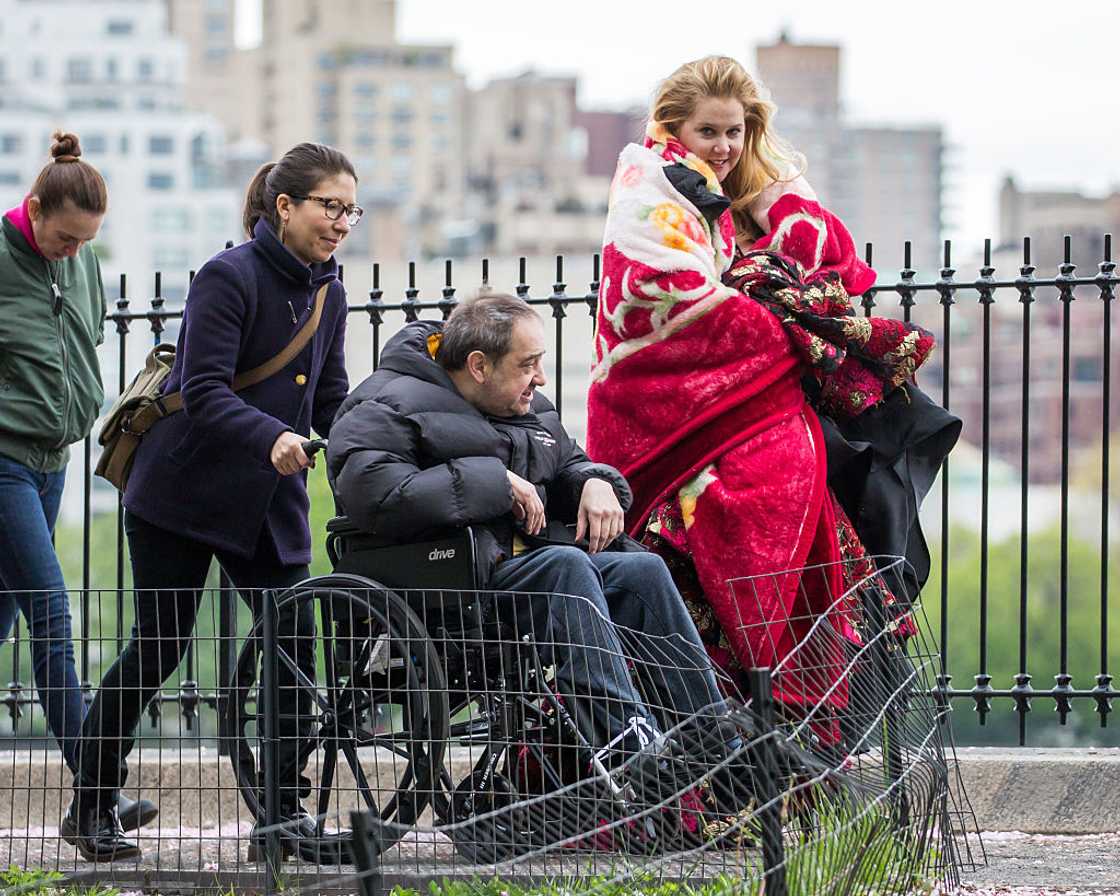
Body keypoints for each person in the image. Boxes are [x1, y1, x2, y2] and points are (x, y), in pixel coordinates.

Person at [586, 56, 957, 743]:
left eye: (736, 131)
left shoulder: (737, 193)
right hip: (682, 445)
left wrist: (774, 191)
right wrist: (779, 325)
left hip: (768, 441)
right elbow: (664, 302)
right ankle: (699, 765)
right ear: (673, 129)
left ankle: (771, 761)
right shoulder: (651, 191)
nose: (725, 147)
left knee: (794, 606)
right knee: (696, 615)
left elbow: (836, 263)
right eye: (709, 132)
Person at [64, 143, 356, 862]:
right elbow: (204, 390)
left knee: (293, 651)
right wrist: (271, 440)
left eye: (351, 210)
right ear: (285, 206)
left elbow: (330, 399)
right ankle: (91, 804)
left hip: (267, 503)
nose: (342, 222)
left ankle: (281, 819)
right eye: (330, 206)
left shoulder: (330, 291)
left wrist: (375, 443)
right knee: (158, 648)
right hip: (183, 494)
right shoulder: (228, 276)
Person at [326, 293, 732, 786]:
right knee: (565, 567)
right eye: (528, 365)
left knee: (641, 570)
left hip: (523, 564)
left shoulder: (524, 403)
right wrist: (493, 480)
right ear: (479, 365)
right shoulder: (383, 403)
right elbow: (378, 495)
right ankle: (628, 746)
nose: (539, 378)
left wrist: (594, 482)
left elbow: (567, 462)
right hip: (449, 579)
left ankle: (716, 741)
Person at [0, 131, 157, 835]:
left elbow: (82, 344)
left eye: (84, 241)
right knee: (53, 617)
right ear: (33, 210)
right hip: (2, 459)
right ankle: (96, 793)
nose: (72, 251)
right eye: (63, 238)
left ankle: (94, 794)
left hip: (52, 461)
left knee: (4, 617)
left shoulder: (83, 264)